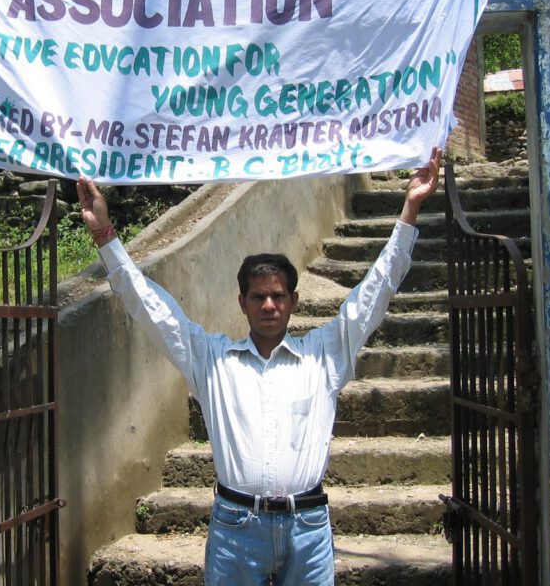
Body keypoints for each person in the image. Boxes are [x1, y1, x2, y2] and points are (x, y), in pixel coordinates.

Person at [76, 146, 442, 586]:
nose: (269, 304)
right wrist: (106, 237)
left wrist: (410, 210)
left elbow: (372, 296)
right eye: (258, 296)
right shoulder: (213, 363)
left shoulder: (324, 357)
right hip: (236, 532)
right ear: (243, 304)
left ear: (293, 302)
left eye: (278, 296)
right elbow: (155, 311)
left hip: (308, 529)